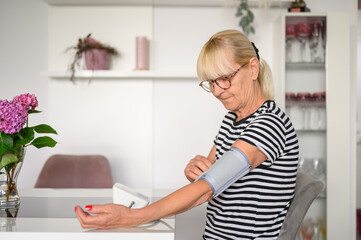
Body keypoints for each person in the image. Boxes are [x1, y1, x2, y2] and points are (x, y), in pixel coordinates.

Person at [75, 29, 299, 239]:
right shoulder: (233, 120)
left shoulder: (270, 124)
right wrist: (196, 171)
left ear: (252, 68)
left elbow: (205, 189)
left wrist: (132, 217)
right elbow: (208, 180)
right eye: (211, 82)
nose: (218, 91)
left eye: (224, 78)